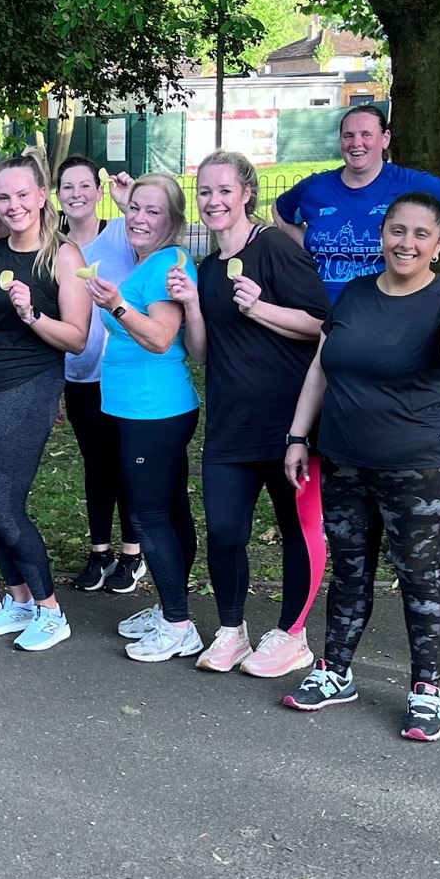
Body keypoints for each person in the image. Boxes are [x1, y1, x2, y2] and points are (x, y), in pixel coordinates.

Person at [280, 193, 440, 741]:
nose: (406, 243)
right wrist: (297, 436)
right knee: (349, 569)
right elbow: (322, 367)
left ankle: (426, 689)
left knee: (419, 573)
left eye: (421, 234)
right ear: (382, 234)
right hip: (344, 459)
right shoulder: (356, 293)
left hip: (422, 467)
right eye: (397, 230)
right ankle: (336, 671)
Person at [168, 151, 330, 678]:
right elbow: (202, 353)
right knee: (224, 531)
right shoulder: (209, 268)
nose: (213, 201)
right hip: (230, 422)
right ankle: (231, 630)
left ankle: (292, 635)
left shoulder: (276, 247)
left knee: (295, 529)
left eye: (224, 190)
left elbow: (322, 325)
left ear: (247, 194)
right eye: (205, 192)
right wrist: (193, 304)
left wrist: (259, 307)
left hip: (289, 424)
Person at [0, 154, 93, 652]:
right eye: (4, 196)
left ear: (41, 196)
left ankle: (51, 611)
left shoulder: (64, 257)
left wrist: (33, 315)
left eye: (21, 195)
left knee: (3, 502)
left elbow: (77, 339)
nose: (13, 205)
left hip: (27, 385)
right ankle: (18, 600)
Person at [81, 174, 202, 662]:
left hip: (154, 410)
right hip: (140, 408)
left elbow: (161, 337)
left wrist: (115, 305)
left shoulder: (169, 263)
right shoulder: (150, 261)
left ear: (173, 219)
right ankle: (173, 607)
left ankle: (178, 625)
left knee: (148, 516)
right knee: (170, 511)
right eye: (134, 208)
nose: (139, 218)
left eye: (153, 211)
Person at [274, 104, 440, 301]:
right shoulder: (315, 188)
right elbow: (281, 211)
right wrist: (306, 249)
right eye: (348, 136)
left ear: (385, 138)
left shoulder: (410, 183)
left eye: (366, 134)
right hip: (319, 307)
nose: (356, 143)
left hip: (386, 307)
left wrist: (431, 245)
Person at [61, 156, 143, 593]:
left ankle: (132, 553)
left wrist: (129, 204)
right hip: (78, 375)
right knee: (95, 465)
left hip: (123, 373)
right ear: (57, 195)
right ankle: (100, 552)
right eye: (67, 187)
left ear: (98, 191)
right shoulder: (56, 248)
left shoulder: (121, 233)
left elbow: (157, 244)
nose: (76, 194)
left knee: (125, 462)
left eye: (84, 185)